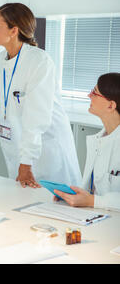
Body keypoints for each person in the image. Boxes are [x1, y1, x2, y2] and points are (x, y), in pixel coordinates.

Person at [0, 3, 81, 188]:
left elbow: (37, 118)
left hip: (47, 153)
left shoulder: (39, 61)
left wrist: (26, 162)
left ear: (14, 30)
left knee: (53, 209)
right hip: (20, 153)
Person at [54, 73, 120, 211]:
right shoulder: (98, 140)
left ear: (111, 106)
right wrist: (73, 196)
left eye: (94, 93)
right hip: (94, 216)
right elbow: (92, 189)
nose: (89, 96)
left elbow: (97, 199)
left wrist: (93, 201)